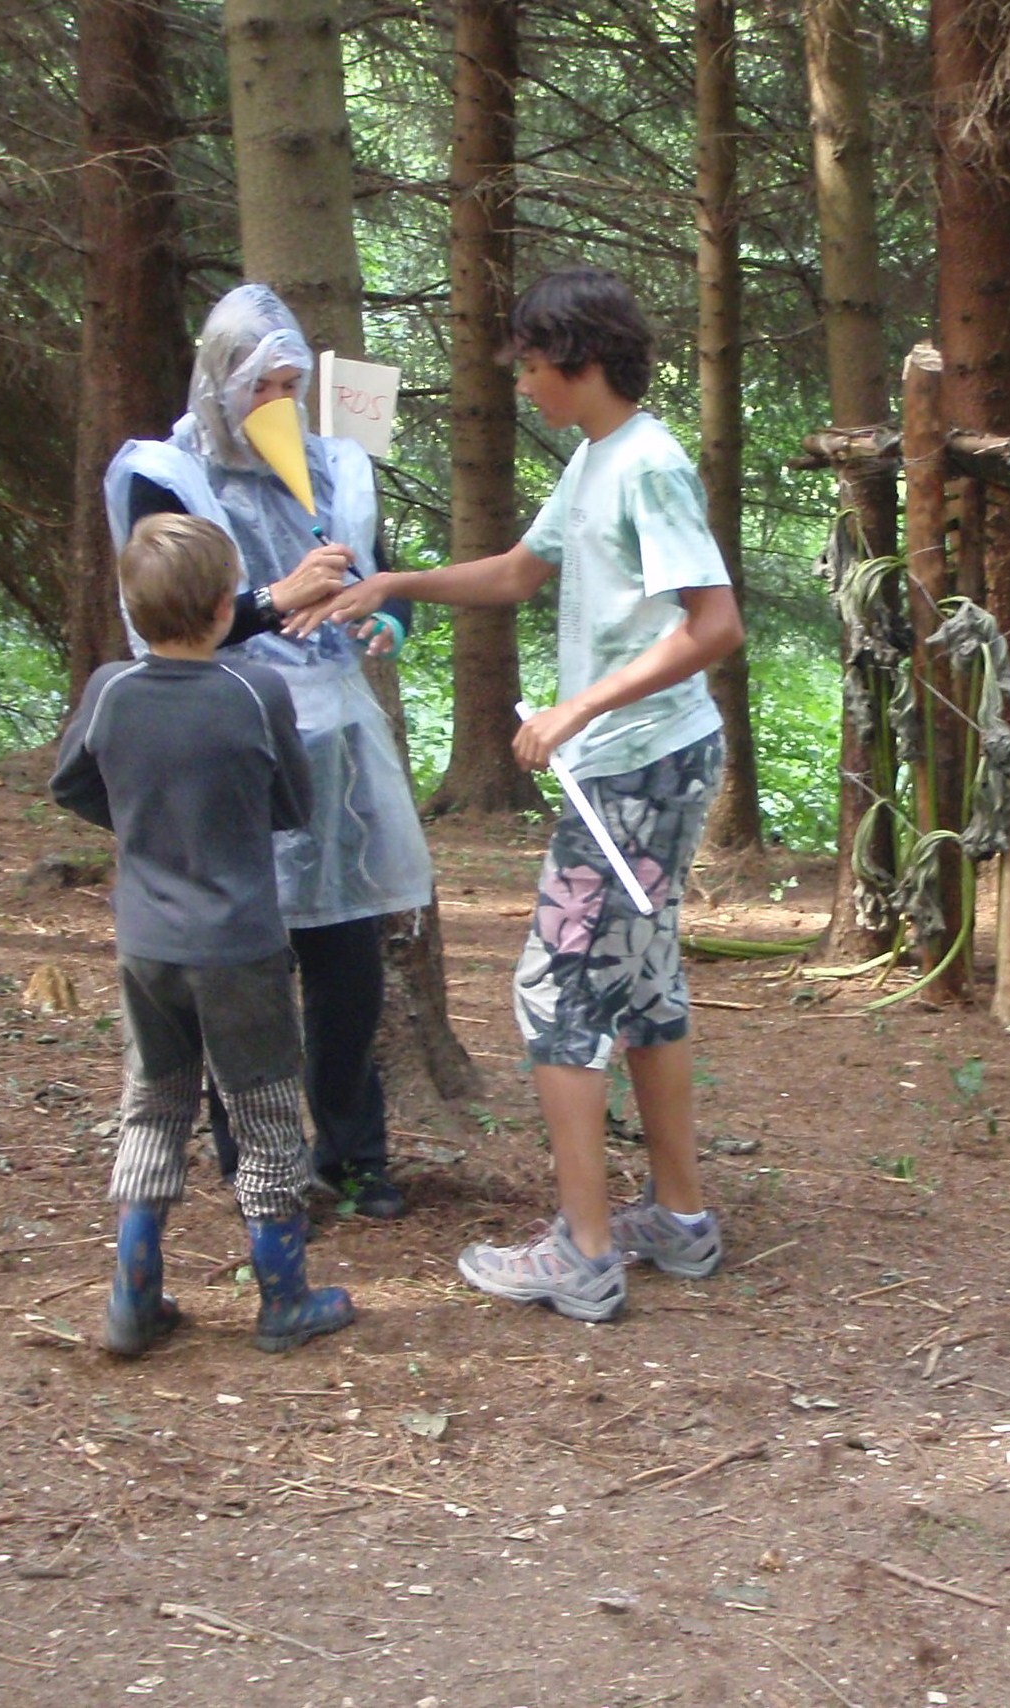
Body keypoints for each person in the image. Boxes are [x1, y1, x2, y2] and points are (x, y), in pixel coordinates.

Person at [300, 266, 745, 1322]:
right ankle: (678, 1218)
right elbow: (514, 571)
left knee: (556, 995)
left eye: (532, 366)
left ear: (580, 361)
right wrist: (394, 584)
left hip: (637, 769)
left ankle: (583, 1254)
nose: (523, 385)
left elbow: (715, 623)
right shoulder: (596, 459)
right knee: (644, 987)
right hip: (633, 764)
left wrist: (576, 708)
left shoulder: (648, 465)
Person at [104, 284, 433, 1221]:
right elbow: (169, 624)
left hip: (334, 748)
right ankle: (256, 1164)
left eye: (292, 385)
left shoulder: (337, 468)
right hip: (228, 741)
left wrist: (384, 622)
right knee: (242, 970)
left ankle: (355, 1154)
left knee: (348, 963)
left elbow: (380, 578)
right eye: (262, 385)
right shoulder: (168, 475)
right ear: (221, 382)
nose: (279, 403)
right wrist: (278, 596)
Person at [49, 514, 354, 1357]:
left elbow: (70, 784)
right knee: (264, 1114)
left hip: (145, 944)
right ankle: (283, 1298)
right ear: (227, 606)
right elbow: (293, 804)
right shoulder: (256, 691)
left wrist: (141, 822)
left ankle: (133, 1296)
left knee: (154, 1104)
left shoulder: (110, 689)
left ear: (134, 607)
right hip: (240, 946)